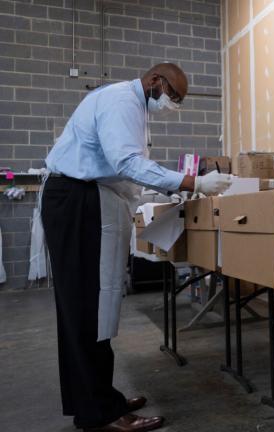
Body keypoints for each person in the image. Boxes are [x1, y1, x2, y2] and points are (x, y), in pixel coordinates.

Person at [42, 63, 232, 432]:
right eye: (172, 96)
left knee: (97, 305)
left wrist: (172, 189)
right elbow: (126, 163)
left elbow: (127, 168)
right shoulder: (121, 101)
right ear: (155, 81)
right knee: (88, 307)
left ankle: (98, 397)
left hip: (86, 199)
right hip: (77, 200)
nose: (172, 104)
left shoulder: (135, 108)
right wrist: (192, 182)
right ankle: (100, 413)